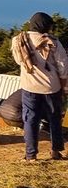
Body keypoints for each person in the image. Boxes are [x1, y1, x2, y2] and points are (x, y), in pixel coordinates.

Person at [10, 11, 68, 162]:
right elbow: (63, 66)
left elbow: (18, 61)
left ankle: (31, 155)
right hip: (52, 87)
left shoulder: (19, 40)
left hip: (30, 87)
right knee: (54, 119)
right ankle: (55, 152)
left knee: (30, 120)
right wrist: (64, 87)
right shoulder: (53, 42)